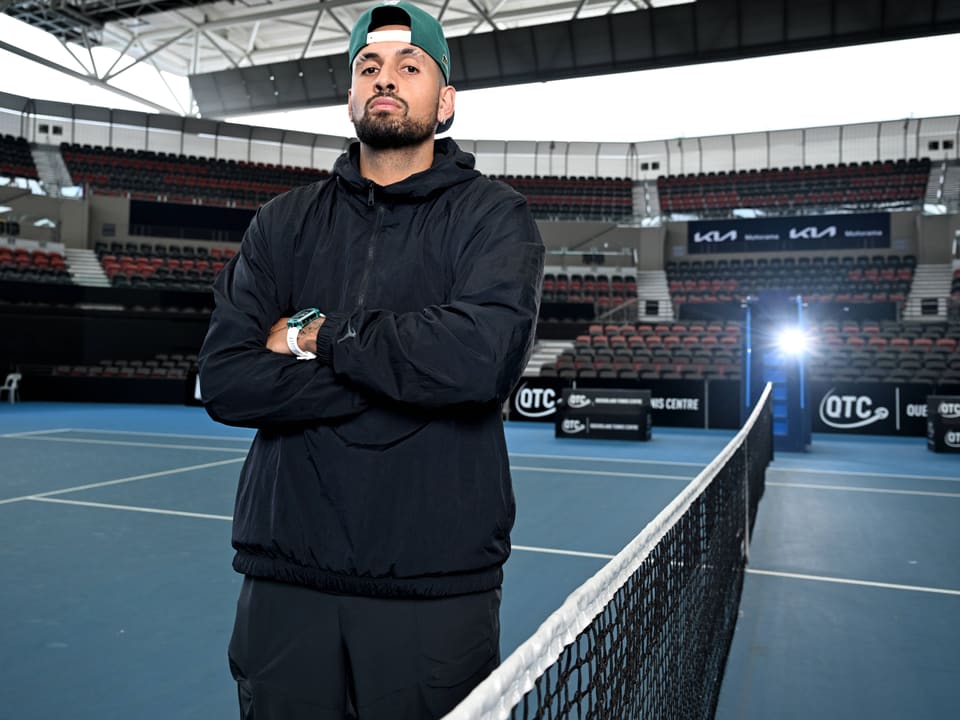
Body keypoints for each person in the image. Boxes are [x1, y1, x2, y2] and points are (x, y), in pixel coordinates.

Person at [197, 2, 545, 717]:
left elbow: (478, 364)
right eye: (368, 66)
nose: (386, 78)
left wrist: (317, 339)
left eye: (409, 66)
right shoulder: (282, 222)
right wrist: (404, 378)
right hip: (286, 579)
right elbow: (227, 380)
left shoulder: (495, 217)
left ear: (444, 100)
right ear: (351, 96)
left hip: (434, 586)